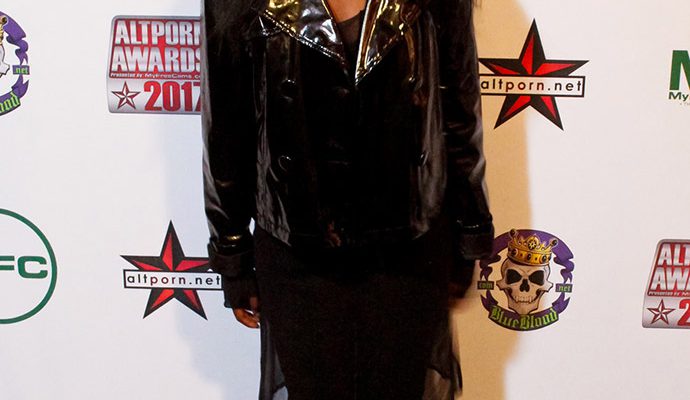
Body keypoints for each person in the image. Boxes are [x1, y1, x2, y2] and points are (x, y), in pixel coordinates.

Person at [200, 0, 494, 398]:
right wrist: (232, 253)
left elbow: (459, 110)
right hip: (296, 252)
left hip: (410, 249)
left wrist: (470, 230)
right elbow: (225, 127)